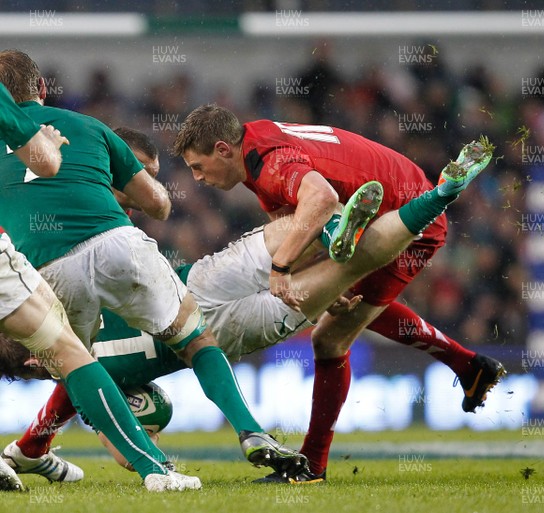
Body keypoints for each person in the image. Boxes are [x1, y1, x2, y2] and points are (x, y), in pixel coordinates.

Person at [3, 130, 499, 484]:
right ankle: (407, 207)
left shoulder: (70, 341)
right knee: (301, 256)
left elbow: (97, 408)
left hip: (223, 324)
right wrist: (35, 445)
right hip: (196, 293)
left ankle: (369, 222)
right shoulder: (73, 261)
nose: (191, 179)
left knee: (333, 280)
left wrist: (41, 443)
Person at [0, 50, 304, 489]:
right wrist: (120, 187)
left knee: (75, 366)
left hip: (42, 266)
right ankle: (249, 430)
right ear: (42, 90)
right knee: (195, 338)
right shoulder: (90, 127)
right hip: (114, 243)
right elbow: (159, 206)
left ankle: (112, 459)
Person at [173, 104, 506, 482]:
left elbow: (320, 199)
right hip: (390, 195)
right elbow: (296, 226)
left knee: (329, 339)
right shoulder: (257, 145)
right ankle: (468, 365)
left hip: (405, 216)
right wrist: (323, 286)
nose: (197, 178)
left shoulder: (270, 161)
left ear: (222, 149)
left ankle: (313, 465)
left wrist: (281, 267)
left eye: (198, 167)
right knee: (348, 306)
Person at [0, 83, 197, 492]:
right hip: (61, 254)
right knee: (68, 352)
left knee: (63, 352)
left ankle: (33, 447)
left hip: (43, 253)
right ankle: (153, 467)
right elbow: (47, 164)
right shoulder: (61, 127)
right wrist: (47, 144)